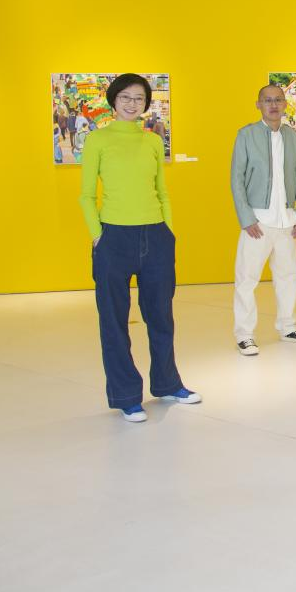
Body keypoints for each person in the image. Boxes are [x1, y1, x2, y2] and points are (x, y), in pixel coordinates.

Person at [79, 73, 200, 422]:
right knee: (114, 321)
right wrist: (97, 235)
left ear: (146, 103)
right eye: (126, 97)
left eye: (139, 98)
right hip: (113, 238)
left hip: (156, 236)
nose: (132, 104)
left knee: (161, 316)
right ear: (113, 101)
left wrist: (168, 231)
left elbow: (162, 190)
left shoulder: (152, 141)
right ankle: (127, 396)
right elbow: (86, 195)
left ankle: (168, 383)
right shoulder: (98, 140)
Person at [230, 84, 296, 356]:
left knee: (289, 277)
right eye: (267, 100)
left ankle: (288, 327)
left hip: (287, 221)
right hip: (258, 221)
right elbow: (236, 179)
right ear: (258, 104)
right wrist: (246, 217)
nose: (273, 105)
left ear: (285, 104)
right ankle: (244, 335)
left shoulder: (292, 136)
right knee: (247, 279)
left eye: (278, 100)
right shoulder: (246, 135)